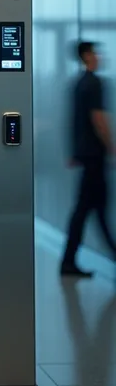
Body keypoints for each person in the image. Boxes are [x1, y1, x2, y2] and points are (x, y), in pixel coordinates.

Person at [61, 41, 116, 277]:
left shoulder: (78, 84)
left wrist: (74, 152)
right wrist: (111, 147)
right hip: (94, 155)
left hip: (85, 154)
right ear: (86, 56)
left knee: (90, 209)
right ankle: (68, 262)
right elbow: (98, 119)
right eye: (95, 53)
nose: (99, 56)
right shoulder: (94, 83)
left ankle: (68, 262)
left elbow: (73, 121)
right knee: (89, 209)